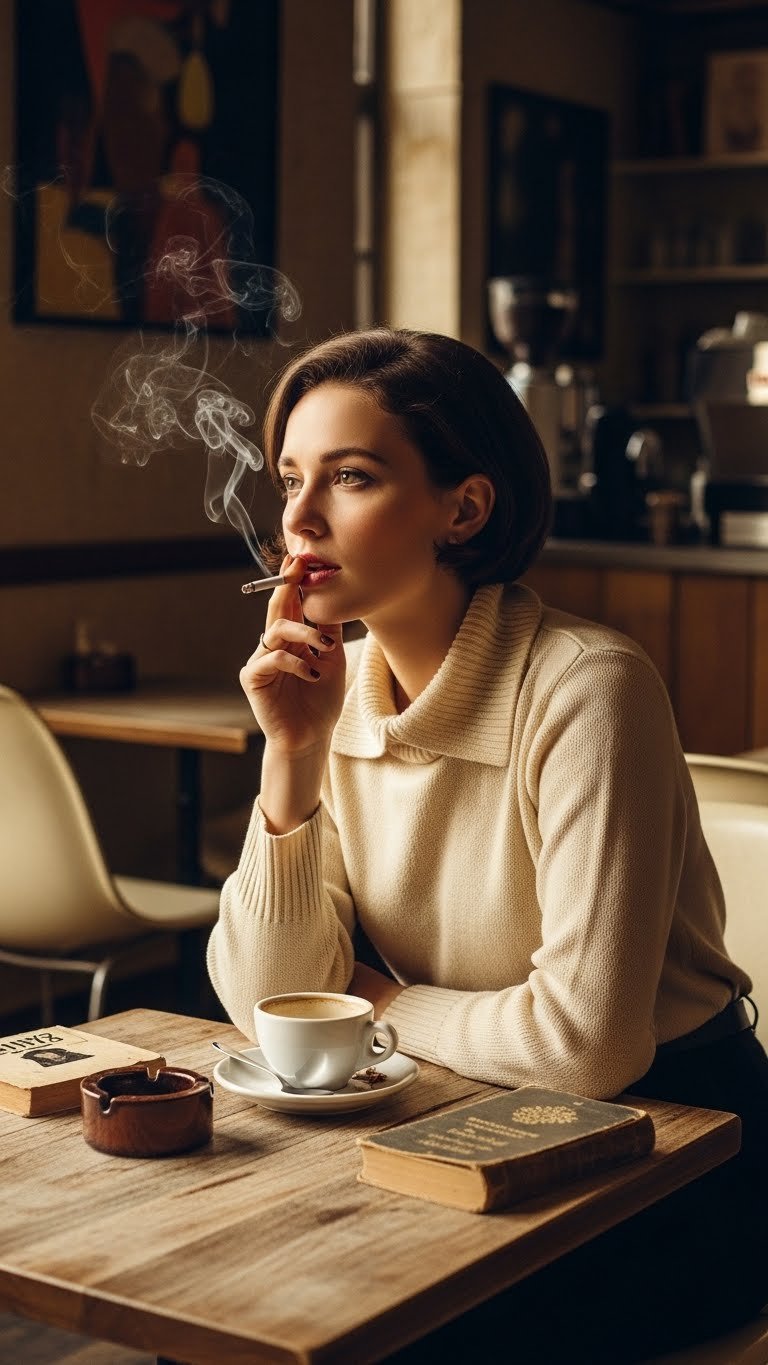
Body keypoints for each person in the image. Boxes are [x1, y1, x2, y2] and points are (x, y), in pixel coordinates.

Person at [208, 327, 768, 1363]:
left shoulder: (587, 689)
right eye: (291, 480)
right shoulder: (332, 691)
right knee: (221, 1311)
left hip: (677, 1151)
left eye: (354, 478)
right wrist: (290, 760)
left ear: (463, 508)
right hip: (459, 1120)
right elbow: (267, 1005)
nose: (298, 519)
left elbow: (587, 1048)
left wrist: (376, 1003)